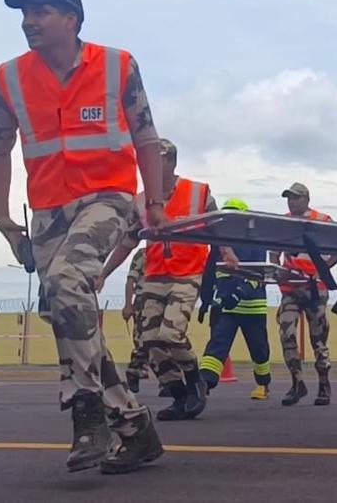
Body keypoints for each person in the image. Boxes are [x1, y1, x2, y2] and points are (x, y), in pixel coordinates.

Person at [0, 0, 163, 473]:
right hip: (47, 212)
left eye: (40, 12)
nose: (28, 22)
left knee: (65, 283)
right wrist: (1, 215)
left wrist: (158, 204)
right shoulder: (8, 78)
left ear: (71, 19)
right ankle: (135, 426)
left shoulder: (117, 65)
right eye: (25, 13)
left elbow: (147, 137)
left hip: (107, 198)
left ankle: (87, 414)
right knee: (68, 314)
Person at [101, 139, 238, 421]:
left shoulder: (198, 192)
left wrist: (227, 252)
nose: (148, 165)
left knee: (170, 334)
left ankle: (195, 381)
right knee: (150, 340)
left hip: (187, 273)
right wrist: (102, 273)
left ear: (171, 162)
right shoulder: (140, 201)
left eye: (157, 159)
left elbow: (217, 228)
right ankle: (178, 395)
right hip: (154, 275)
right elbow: (127, 242)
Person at [198, 197, 274, 400]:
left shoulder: (255, 242)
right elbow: (209, 272)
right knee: (217, 345)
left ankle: (263, 385)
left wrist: (238, 293)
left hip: (252, 307)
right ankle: (203, 384)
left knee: (259, 350)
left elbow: (258, 274)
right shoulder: (219, 244)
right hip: (226, 307)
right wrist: (206, 300)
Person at [276, 182, 337, 407]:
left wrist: (324, 268)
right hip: (290, 289)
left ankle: (323, 383)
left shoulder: (322, 221)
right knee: (286, 333)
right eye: (289, 198)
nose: (292, 202)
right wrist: (277, 273)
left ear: (306, 199)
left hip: (315, 289)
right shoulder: (281, 223)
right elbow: (273, 251)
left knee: (318, 338)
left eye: (295, 198)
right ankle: (297, 382)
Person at [121, 250, 155, 394]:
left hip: (164, 298)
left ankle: (168, 381)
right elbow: (131, 280)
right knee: (143, 341)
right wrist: (128, 305)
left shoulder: (172, 250)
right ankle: (134, 371)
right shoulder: (144, 254)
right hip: (144, 300)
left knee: (164, 341)